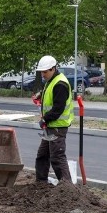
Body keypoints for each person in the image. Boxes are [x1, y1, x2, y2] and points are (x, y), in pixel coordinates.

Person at [33, 55, 73, 183]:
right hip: (51, 126)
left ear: (53, 69)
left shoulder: (60, 84)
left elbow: (58, 109)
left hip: (57, 126)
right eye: (42, 72)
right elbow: (50, 94)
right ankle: (41, 183)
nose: (43, 75)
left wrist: (44, 119)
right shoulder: (52, 80)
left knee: (57, 157)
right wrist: (40, 95)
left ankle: (67, 188)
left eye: (45, 72)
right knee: (43, 155)